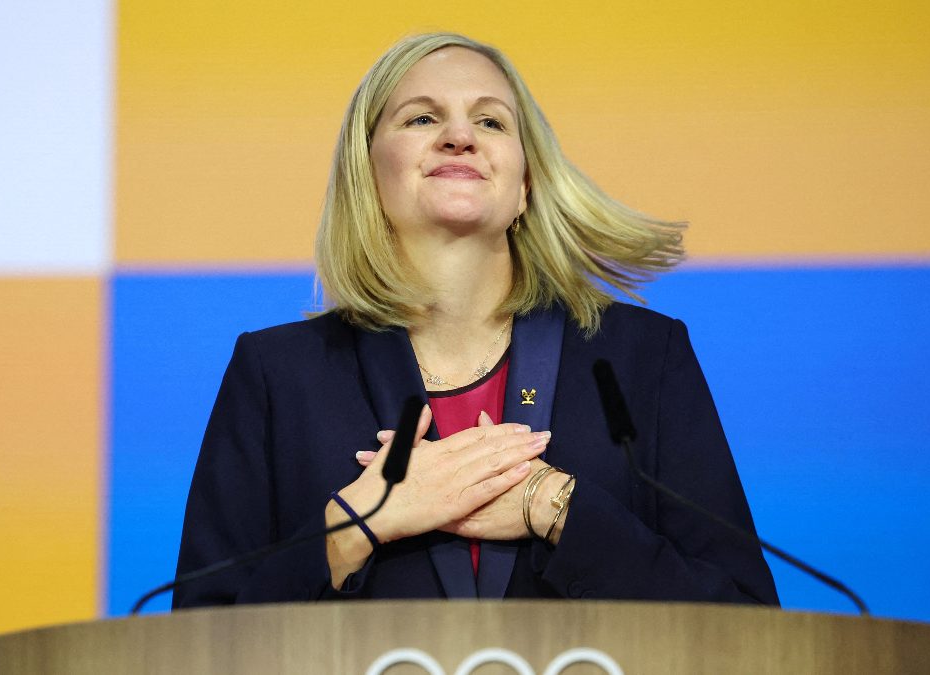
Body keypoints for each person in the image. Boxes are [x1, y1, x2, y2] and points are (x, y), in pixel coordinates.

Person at [173, 32, 778, 606]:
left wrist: (556, 506)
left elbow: (745, 623)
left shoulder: (637, 357)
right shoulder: (279, 373)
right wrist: (356, 527)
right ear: (368, 173)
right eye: (422, 118)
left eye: (490, 121)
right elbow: (197, 645)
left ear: (525, 185)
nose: (459, 136)